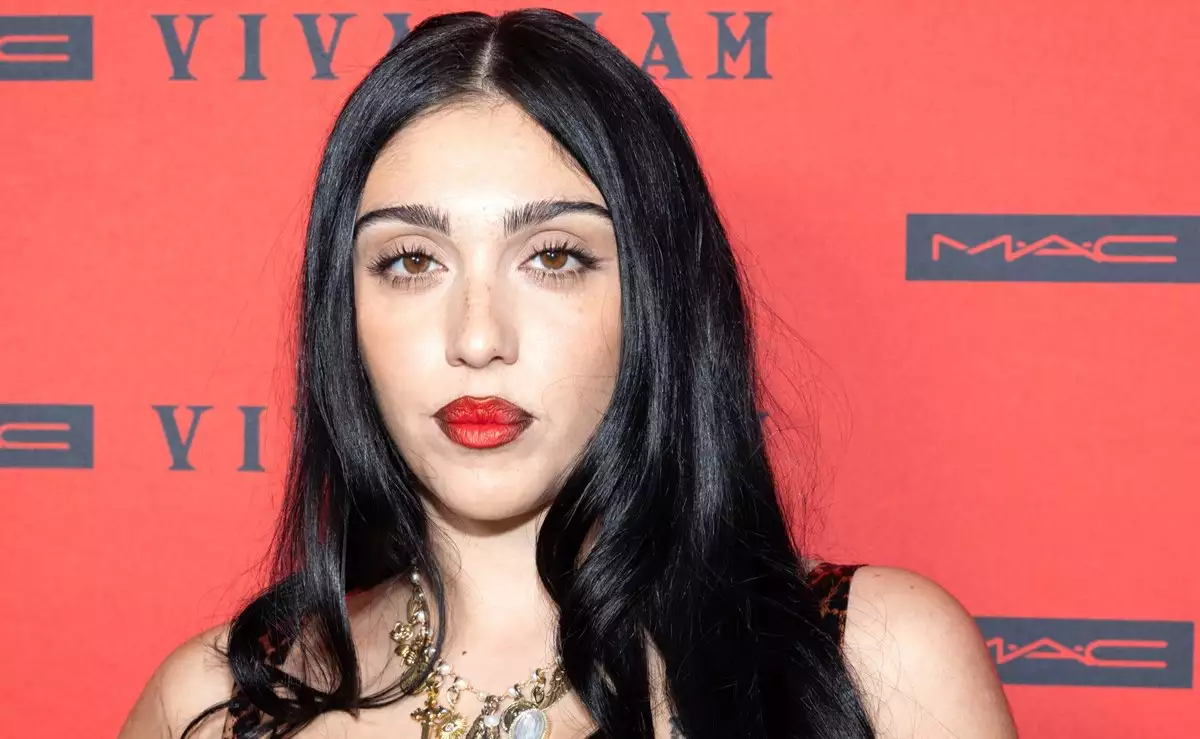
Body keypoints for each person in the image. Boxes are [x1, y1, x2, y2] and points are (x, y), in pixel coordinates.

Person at [118, 8, 1017, 739]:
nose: (478, 336)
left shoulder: (874, 663)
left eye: (552, 256)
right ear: (342, 312)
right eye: (411, 261)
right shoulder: (216, 705)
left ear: (655, 297)